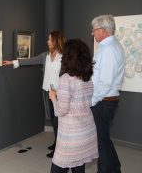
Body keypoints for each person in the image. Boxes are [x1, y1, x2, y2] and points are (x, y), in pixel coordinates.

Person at [3, 31, 65, 158]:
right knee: (54, 120)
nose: (48, 42)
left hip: (59, 94)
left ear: (56, 41)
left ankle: (60, 149)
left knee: (59, 121)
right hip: (47, 92)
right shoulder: (45, 56)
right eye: (48, 39)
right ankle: (56, 142)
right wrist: (13, 62)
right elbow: (30, 61)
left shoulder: (64, 57)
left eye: (50, 39)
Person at [49, 38, 98, 173]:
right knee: (79, 166)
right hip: (86, 132)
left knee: (57, 168)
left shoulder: (65, 79)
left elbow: (61, 111)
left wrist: (53, 97)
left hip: (71, 137)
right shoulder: (87, 78)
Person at [91, 15, 126, 173]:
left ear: (103, 30)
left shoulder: (109, 49)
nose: (92, 34)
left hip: (102, 101)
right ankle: (115, 168)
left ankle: (106, 170)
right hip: (105, 100)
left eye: (94, 30)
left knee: (100, 142)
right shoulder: (110, 46)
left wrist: (90, 101)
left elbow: (104, 83)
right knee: (103, 139)